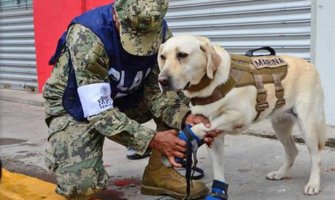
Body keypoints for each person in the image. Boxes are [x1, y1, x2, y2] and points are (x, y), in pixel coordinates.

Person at [43, 0, 220, 199]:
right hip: (75, 107)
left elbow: (158, 90)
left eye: (148, 36)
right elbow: (99, 111)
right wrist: (151, 139)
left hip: (124, 98)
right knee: (81, 186)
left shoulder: (158, 28)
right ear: (117, 16)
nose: (142, 45)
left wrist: (186, 117)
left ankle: (159, 172)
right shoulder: (88, 35)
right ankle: (67, 150)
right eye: (135, 35)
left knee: (179, 91)